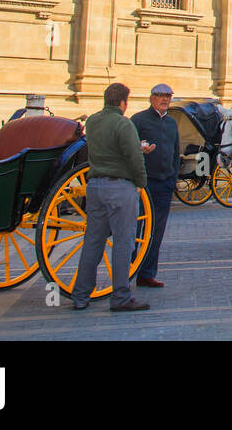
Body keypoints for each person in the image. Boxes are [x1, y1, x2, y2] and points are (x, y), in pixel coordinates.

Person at [70, 83, 151, 312]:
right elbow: (134, 157)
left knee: (92, 242)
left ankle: (80, 295)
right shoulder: (123, 123)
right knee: (123, 243)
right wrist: (140, 183)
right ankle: (121, 296)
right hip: (120, 188)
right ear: (123, 102)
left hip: (95, 186)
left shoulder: (93, 121)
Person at [131, 84, 180, 288]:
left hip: (164, 183)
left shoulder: (171, 123)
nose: (164, 99)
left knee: (156, 231)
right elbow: (130, 147)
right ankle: (130, 269)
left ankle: (147, 274)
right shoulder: (138, 120)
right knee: (136, 229)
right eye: (160, 95)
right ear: (152, 98)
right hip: (144, 184)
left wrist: (173, 177)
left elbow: (176, 152)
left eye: (168, 95)